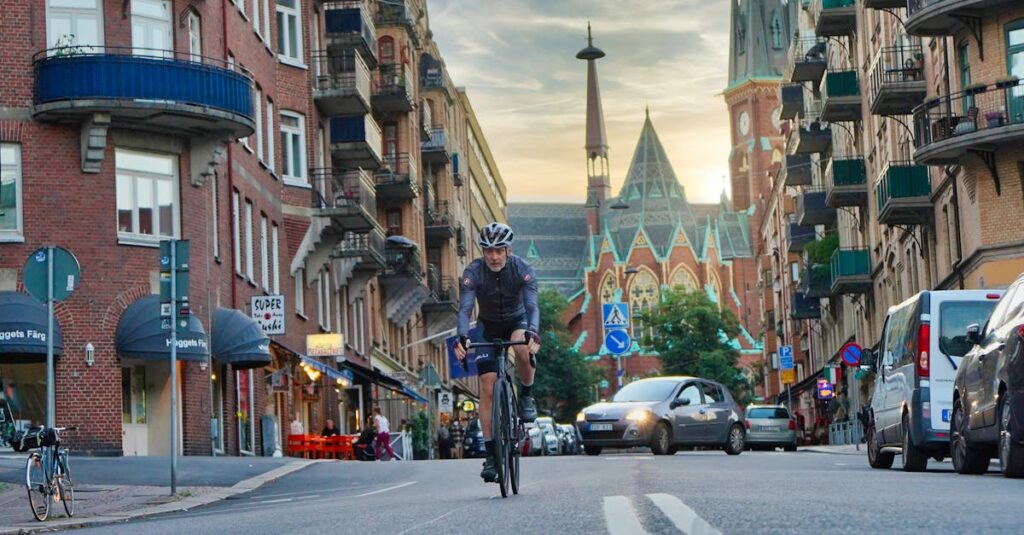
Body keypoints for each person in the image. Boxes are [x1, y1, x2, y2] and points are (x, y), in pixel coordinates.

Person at [453, 222, 541, 483]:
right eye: (488, 251)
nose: (493, 256)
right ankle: (492, 455)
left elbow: (532, 305)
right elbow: (465, 309)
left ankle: (526, 395)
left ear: (508, 250)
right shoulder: (473, 273)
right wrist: (461, 336)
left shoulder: (523, 270)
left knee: (523, 347)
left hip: (517, 321)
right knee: (487, 385)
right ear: (482, 252)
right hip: (487, 327)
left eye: (499, 250)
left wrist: (533, 331)